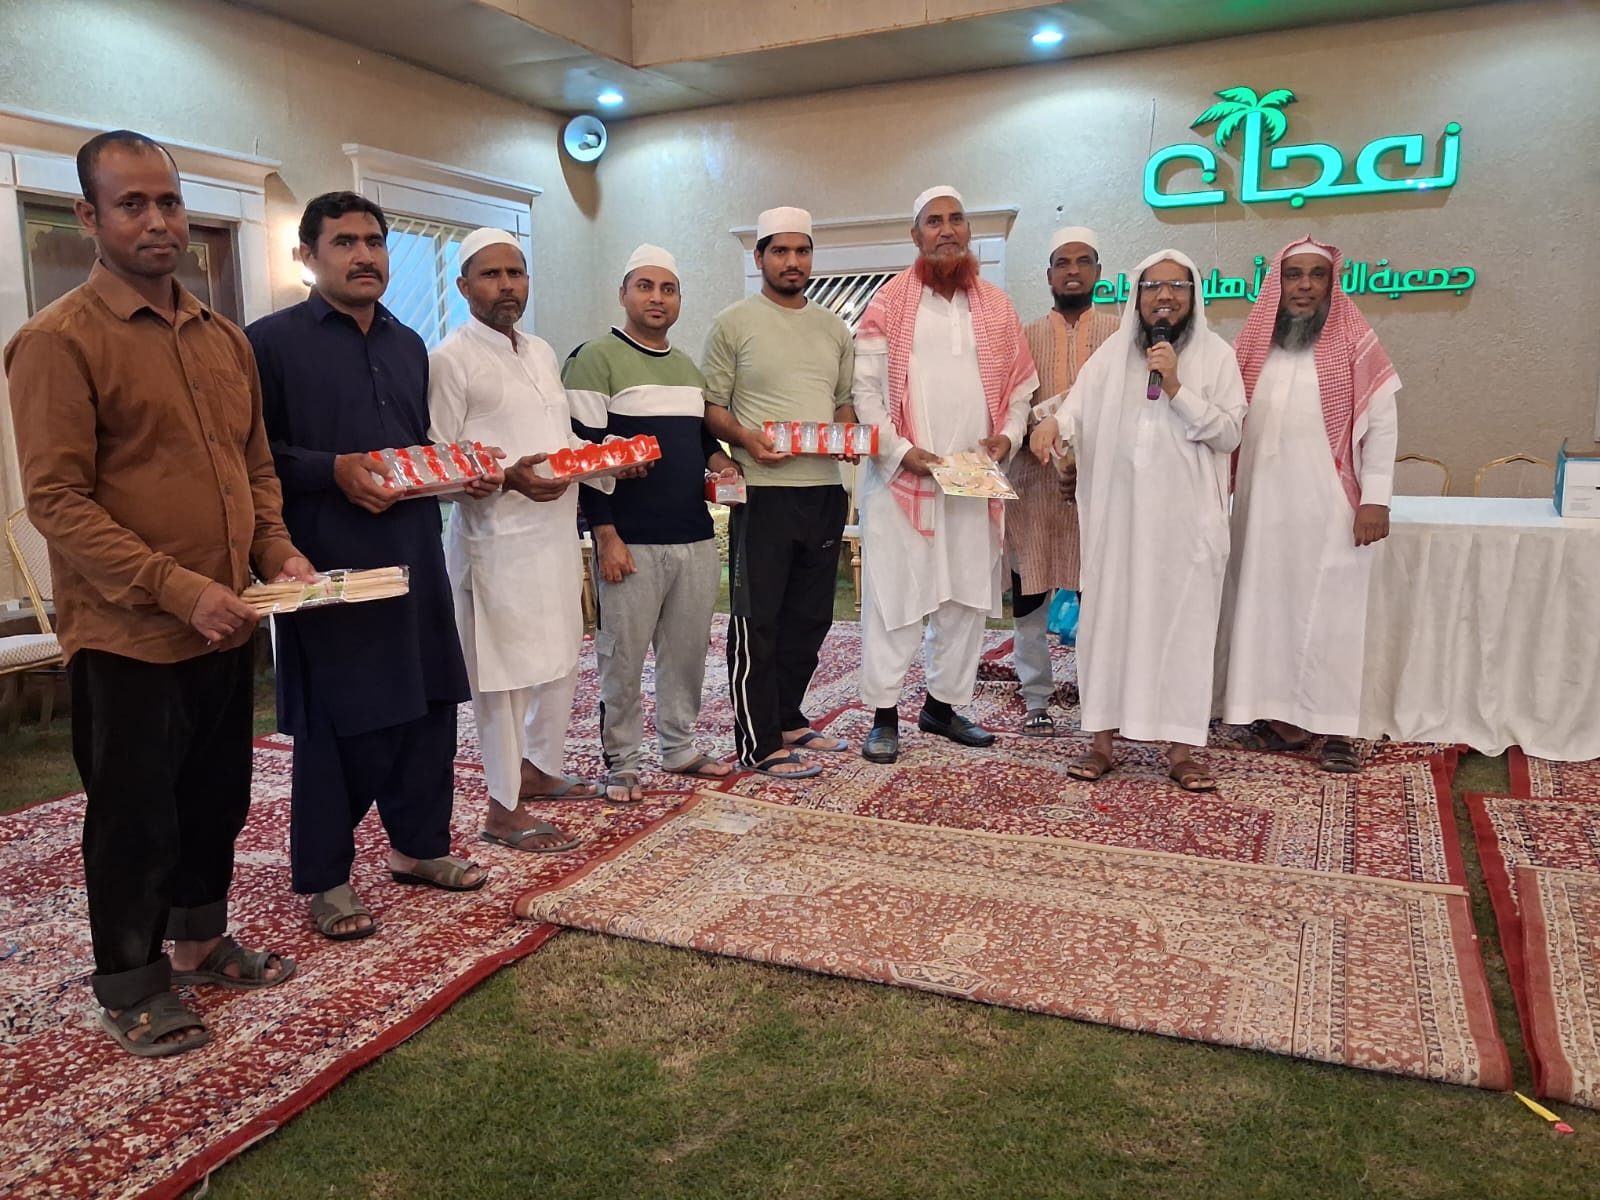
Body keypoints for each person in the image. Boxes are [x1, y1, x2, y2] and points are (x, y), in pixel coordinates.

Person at [4, 130, 312, 1056]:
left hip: (227, 620)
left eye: (168, 202)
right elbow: (56, 502)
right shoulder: (57, 342)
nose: (157, 221)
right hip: (130, 631)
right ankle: (131, 984)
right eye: (131, 204)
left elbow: (254, 468)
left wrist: (275, 551)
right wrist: (177, 589)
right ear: (87, 217)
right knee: (135, 816)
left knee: (216, 797)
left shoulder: (223, 339)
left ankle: (201, 943)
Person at [248, 192, 491, 942]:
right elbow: (252, 457)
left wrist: (458, 470)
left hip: (414, 545)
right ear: (308, 256)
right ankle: (327, 877)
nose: (365, 256)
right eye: (345, 242)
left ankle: (419, 847)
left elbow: (413, 445)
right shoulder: (269, 344)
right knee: (341, 717)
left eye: (375, 242)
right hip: (327, 559)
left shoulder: (408, 342)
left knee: (429, 700)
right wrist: (332, 470)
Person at [1030, 249, 1245, 791]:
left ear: (1194, 295)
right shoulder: (1112, 356)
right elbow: (1075, 409)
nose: (1164, 296)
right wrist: (1053, 425)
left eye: (1177, 287)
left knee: (1184, 631)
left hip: (1186, 530)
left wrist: (1175, 387)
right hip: (1119, 526)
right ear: (1137, 296)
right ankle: (1101, 743)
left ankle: (1182, 751)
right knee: (1109, 625)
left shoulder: (1217, 356)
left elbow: (1228, 433)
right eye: (1153, 287)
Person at [852, 186, 1037, 765]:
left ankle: (942, 707)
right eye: (934, 221)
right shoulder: (887, 304)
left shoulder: (998, 308)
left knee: (965, 596)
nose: (947, 229)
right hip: (904, 481)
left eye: (956, 219)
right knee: (896, 598)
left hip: (972, 480)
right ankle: (884, 716)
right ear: (917, 236)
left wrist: (1008, 437)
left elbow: (1021, 392)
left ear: (968, 231)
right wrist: (902, 452)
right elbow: (866, 395)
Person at [427, 227, 594, 850]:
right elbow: (438, 460)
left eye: (515, 274)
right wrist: (506, 479)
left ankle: (539, 769)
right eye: (491, 275)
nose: (506, 286)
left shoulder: (542, 351)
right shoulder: (450, 359)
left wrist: (604, 463)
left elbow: (559, 441)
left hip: (554, 534)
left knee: (559, 655)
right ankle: (502, 807)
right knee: (502, 675)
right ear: (463, 285)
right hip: (495, 543)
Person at [1218, 236, 1400, 773]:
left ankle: (1339, 729)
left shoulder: (1353, 344)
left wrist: (1376, 500)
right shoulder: (1253, 350)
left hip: (1331, 509)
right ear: (1276, 283)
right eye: (1293, 274)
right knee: (1266, 609)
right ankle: (1283, 721)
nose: (1303, 286)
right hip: (1261, 508)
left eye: (1315, 275)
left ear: (1330, 283)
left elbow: (1382, 426)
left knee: (1333, 616)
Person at [565, 244, 740, 802]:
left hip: (694, 535)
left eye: (668, 289)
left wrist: (721, 462)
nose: (657, 298)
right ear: (623, 293)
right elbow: (582, 455)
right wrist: (606, 535)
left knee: (686, 655)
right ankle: (621, 762)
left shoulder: (687, 368)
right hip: (630, 540)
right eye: (645, 286)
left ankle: (679, 747)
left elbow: (699, 439)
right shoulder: (594, 359)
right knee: (621, 657)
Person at [703, 206, 857, 779]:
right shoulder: (733, 323)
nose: (793, 261)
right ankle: (758, 741)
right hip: (763, 493)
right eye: (780, 251)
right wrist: (745, 438)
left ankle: (789, 718)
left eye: (802, 251)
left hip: (824, 491)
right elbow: (711, 407)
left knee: (811, 618)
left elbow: (842, 401)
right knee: (758, 620)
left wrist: (846, 434)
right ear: (760, 257)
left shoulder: (833, 328)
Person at [1006, 226, 1120, 736]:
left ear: (1098, 272)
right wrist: (1036, 429)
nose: (1073, 271)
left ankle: (1099, 698)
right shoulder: (1024, 337)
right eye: (1062, 263)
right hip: (1034, 486)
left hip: (1099, 488)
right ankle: (1036, 698)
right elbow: (1009, 405)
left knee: (1099, 595)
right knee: (1030, 593)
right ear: (1049, 275)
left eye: (1083, 262)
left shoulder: (1121, 335)